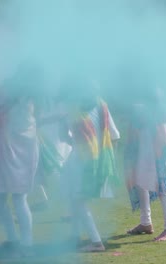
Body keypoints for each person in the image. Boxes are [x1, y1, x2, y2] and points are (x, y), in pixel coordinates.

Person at [0, 65, 41, 257]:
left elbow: (38, 121)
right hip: (7, 151)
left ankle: (26, 244)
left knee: (18, 197)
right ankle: (15, 239)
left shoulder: (32, 94)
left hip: (25, 151)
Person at [59, 81, 120, 252]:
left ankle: (96, 242)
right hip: (99, 160)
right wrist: (109, 159)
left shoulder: (73, 109)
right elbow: (115, 136)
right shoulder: (102, 106)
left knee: (78, 200)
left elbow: (64, 135)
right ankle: (75, 236)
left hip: (82, 162)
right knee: (74, 198)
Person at [124, 87, 166, 241]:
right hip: (144, 156)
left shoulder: (159, 117)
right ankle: (146, 223)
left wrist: (159, 158)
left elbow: (164, 139)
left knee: (162, 189)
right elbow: (134, 134)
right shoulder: (141, 112)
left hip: (156, 157)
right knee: (141, 185)